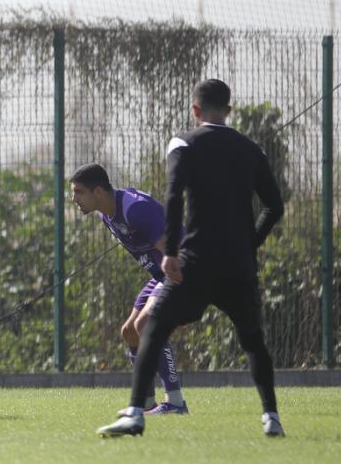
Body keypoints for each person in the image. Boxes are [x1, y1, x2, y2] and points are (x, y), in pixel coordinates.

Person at [99, 79, 285, 437]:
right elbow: (274, 206)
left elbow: (173, 196)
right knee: (253, 340)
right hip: (238, 265)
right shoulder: (252, 149)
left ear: (195, 110)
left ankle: (136, 413)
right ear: (229, 111)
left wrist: (170, 254)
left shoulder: (184, 142)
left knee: (152, 327)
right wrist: (250, 245)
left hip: (195, 260)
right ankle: (271, 418)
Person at [69, 164, 187, 414]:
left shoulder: (135, 210)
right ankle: (145, 404)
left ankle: (176, 403)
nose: (74, 199)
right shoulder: (106, 214)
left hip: (179, 269)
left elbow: (175, 251)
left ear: (98, 191)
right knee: (129, 333)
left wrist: (183, 298)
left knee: (146, 325)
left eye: (79, 192)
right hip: (159, 274)